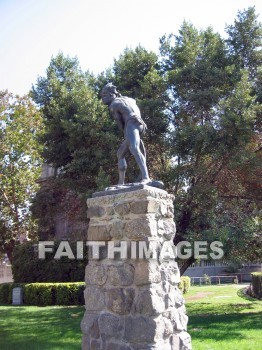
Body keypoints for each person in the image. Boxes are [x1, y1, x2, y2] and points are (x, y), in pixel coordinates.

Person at [101, 83, 151, 185]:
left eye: (104, 95)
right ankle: (121, 182)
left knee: (134, 148)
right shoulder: (129, 99)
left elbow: (120, 124)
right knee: (120, 153)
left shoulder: (113, 105)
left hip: (131, 123)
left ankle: (146, 177)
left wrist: (127, 134)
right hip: (141, 124)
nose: (102, 98)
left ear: (112, 94)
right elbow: (134, 104)